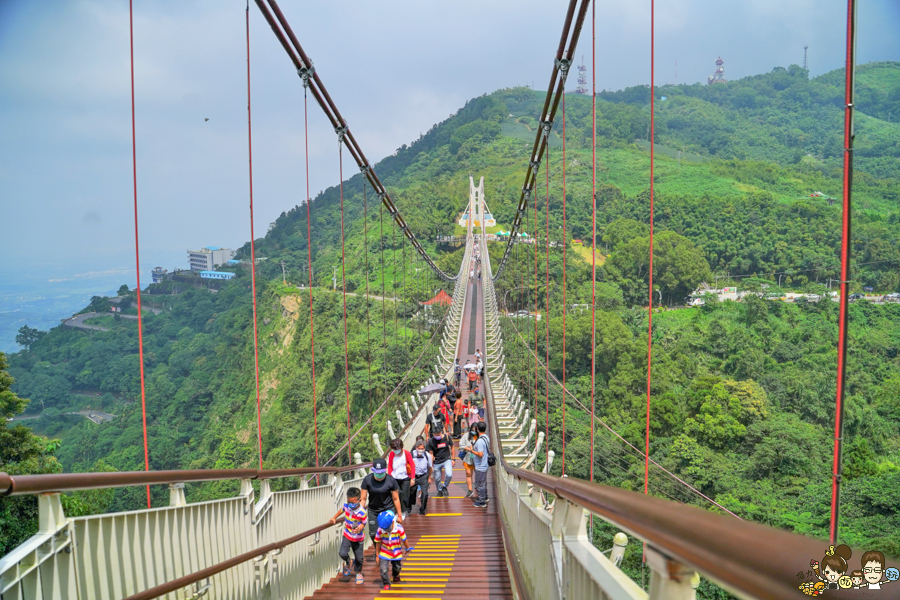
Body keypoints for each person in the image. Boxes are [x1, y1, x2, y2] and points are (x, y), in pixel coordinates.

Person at [360, 458, 402, 548]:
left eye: (381, 472)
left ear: (385, 470)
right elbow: (363, 499)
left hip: (388, 508)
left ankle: (391, 551)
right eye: (377, 472)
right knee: (372, 533)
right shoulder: (367, 480)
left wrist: (399, 515)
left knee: (390, 531)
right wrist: (360, 513)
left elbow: (396, 499)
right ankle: (378, 550)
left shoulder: (391, 480)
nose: (379, 475)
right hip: (373, 510)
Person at [329, 487, 366, 584]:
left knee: (359, 558)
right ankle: (349, 562)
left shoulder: (362, 512)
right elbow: (342, 510)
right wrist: (334, 517)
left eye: (353, 502)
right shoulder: (347, 506)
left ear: (359, 500)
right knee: (342, 553)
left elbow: (364, 523)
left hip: (358, 538)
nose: (351, 505)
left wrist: (360, 528)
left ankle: (358, 573)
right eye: (349, 502)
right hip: (347, 535)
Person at [374, 510, 409, 590]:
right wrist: (377, 555)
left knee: (397, 567)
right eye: (385, 529)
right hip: (384, 551)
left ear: (393, 521)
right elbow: (378, 542)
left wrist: (407, 548)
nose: (387, 530)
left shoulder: (399, 528)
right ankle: (386, 583)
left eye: (388, 528)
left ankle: (395, 575)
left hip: (396, 551)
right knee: (383, 570)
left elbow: (404, 539)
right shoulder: (380, 530)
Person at [387, 438, 414, 519]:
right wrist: (389, 476)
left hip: (405, 477)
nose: (396, 451)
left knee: (404, 495)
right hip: (395, 477)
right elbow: (390, 465)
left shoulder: (406, 453)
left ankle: (404, 510)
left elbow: (412, 465)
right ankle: (396, 511)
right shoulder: (392, 454)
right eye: (394, 449)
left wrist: (413, 478)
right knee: (396, 495)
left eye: (397, 449)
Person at [467, 421, 490, 508]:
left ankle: (482, 501)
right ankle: (485, 497)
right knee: (483, 482)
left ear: (477, 429)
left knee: (479, 484)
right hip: (484, 464)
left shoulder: (480, 441)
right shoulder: (486, 437)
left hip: (480, 465)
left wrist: (471, 450)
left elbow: (480, 454)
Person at [426, 424, 453, 498]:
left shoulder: (447, 438)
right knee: (437, 478)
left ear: (441, 432)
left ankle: (444, 486)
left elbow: (452, 446)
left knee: (449, 474)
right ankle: (439, 490)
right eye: (435, 434)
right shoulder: (431, 441)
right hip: (437, 461)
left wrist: (453, 459)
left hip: (446, 459)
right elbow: (431, 453)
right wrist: (431, 465)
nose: (437, 436)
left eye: (438, 434)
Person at [409, 437, 433, 515]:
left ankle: (423, 508)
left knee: (425, 493)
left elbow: (430, 467)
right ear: (416, 448)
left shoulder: (427, 455)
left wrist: (429, 477)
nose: (421, 450)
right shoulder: (411, 455)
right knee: (412, 492)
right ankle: (409, 506)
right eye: (419, 448)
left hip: (424, 476)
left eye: (422, 448)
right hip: (414, 476)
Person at [459, 424, 477, 499]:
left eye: (475, 430)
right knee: (468, 473)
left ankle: (478, 485)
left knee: (478, 472)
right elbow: (461, 445)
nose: (474, 431)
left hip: (477, 457)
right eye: (472, 430)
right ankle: (470, 490)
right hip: (468, 457)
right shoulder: (466, 436)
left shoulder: (479, 436)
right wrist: (468, 448)